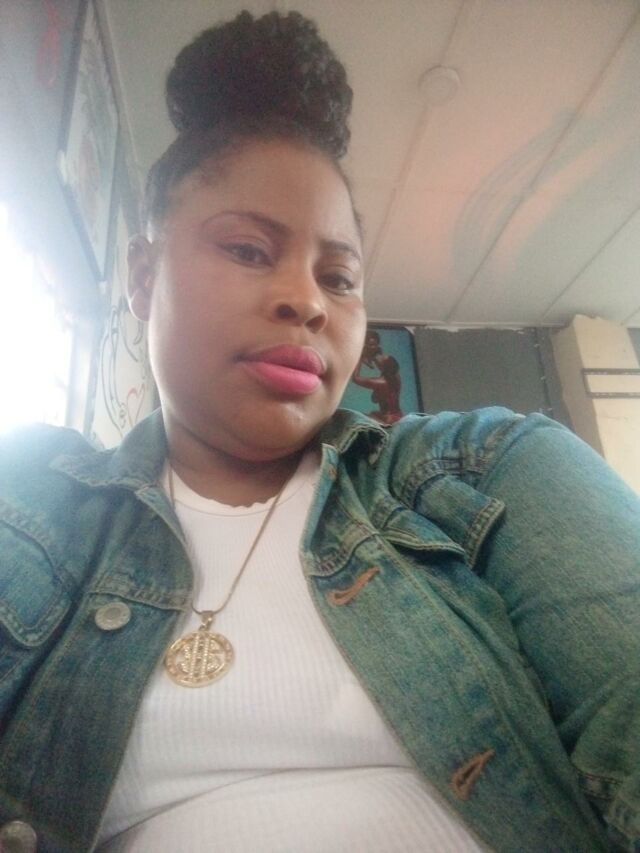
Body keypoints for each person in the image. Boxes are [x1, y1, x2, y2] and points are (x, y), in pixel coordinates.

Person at [0, 10, 638, 853]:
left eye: (339, 277)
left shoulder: (493, 472)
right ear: (144, 276)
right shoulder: (29, 506)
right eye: (248, 249)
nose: (307, 301)